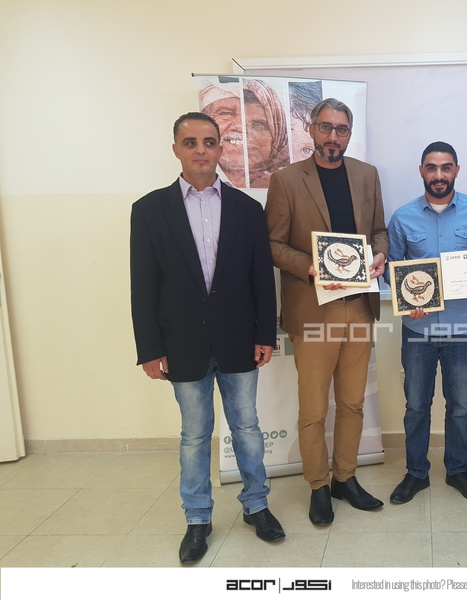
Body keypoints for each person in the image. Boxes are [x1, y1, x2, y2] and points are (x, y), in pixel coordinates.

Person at [130, 112, 284, 565]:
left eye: (209, 142)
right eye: (190, 142)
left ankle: (257, 506)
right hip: (182, 343)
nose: (201, 150)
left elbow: (262, 279)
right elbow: (143, 284)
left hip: (239, 339)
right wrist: (150, 348)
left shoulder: (247, 209)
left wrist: (265, 333)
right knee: (195, 436)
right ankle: (197, 518)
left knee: (247, 428)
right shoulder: (149, 210)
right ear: (176, 149)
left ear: (220, 148)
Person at [265, 98, 388, 525]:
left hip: (359, 307)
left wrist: (380, 254)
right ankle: (318, 485)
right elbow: (272, 244)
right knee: (314, 409)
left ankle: (345, 478)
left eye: (341, 129)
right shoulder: (285, 180)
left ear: (349, 133)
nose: (333, 136)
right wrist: (310, 266)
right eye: (326, 127)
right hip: (314, 309)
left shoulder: (367, 175)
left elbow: (379, 231)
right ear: (311, 130)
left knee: (353, 404)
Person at [386, 142, 467, 505]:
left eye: (446, 167)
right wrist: (406, 300)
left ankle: (457, 470)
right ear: (422, 171)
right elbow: (392, 271)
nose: (439, 175)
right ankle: (416, 473)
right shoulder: (402, 217)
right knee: (416, 405)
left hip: (462, 328)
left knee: (460, 405)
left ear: (456, 170)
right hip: (418, 330)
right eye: (431, 167)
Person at [199, 77, 289, 188]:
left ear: (277, 137)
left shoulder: (288, 185)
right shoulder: (193, 184)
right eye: (226, 113)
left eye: (258, 123)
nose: (241, 128)